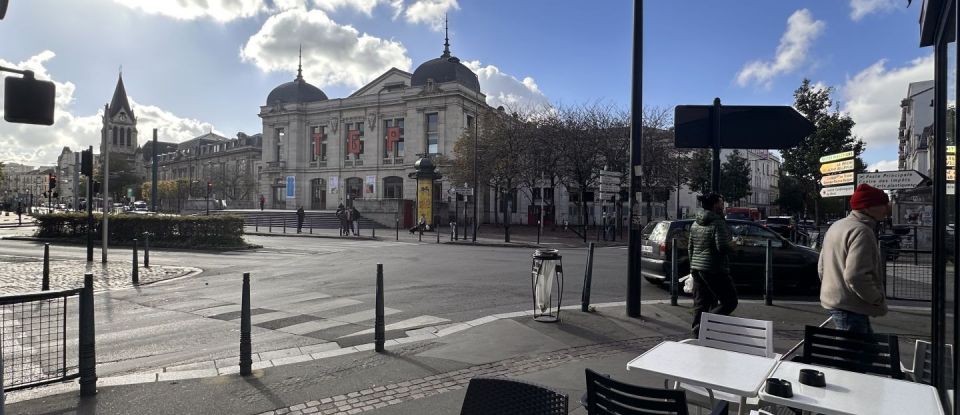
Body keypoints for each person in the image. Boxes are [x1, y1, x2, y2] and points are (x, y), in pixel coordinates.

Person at [818, 183, 890, 334]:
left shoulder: (837, 226)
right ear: (868, 207)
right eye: (883, 204)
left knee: (866, 353)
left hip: (836, 301)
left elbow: (822, 267)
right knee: (853, 355)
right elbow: (856, 276)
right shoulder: (862, 231)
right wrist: (876, 298)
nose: (887, 208)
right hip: (851, 306)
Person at [688, 192, 737, 335]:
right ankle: (704, 326)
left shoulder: (695, 223)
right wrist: (732, 246)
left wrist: (693, 267)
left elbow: (690, 247)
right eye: (721, 203)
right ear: (715, 205)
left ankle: (697, 334)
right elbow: (721, 247)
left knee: (701, 303)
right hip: (714, 268)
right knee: (730, 301)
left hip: (697, 268)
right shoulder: (718, 222)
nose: (723, 205)